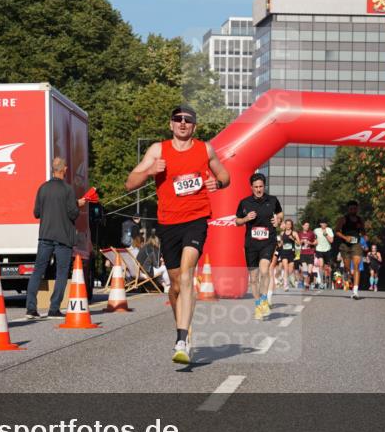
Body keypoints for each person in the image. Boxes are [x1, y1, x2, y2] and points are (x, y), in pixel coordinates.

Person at [124, 104, 230, 364]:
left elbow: (225, 175)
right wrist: (150, 172)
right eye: (178, 119)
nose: (183, 123)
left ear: (194, 126)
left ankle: (181, 340)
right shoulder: (158, 150)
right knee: (175, 285)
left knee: (186, 273)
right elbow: (129, 184)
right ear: (171, 124)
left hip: (196, 219)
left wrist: (218, 182)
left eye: (188, 120)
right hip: (168, 223)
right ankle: (182, 327)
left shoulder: (205, 149)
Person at [25, 157, 88, 320]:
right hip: (63, 237)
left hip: (45, 235)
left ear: (53, 169)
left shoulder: (43, 188)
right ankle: (54, 309)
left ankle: (31, 308)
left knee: (38, 271)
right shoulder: (68, 190)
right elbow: (73, 213)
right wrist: (78, 204)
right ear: (63, 169)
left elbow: (36, 213)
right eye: (66, 167)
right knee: (61, 273)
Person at [234, 173, 282, 320]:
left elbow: (280, 213)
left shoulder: (272, 200)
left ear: (264, 186)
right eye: (256, 187)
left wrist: (278, 220)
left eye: (261, 186)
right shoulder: (244, 202)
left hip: (268, 241)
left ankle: (264, 300)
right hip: (251, 243)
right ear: (251, 187)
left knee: (264, 269)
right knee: (254, 278)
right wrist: (245, 218)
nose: (258, 189)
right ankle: (258, 305)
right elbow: (237, 221)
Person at [335, 200, 365, 300]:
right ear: (348, 209)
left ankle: (355, 291)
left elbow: (363, 231)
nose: (353, 210)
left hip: (356, 244)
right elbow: (337, 231)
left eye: (355, 208)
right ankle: (350, 276)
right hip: (345, 245)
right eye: (351, 209)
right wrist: (345, 237)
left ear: (357, 209)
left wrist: (364, 236)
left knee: (356, 265)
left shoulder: (360, 220)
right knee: (348, 268)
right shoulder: (343, 219)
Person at [276, 219, 299, 291]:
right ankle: (285, 285)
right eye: (287, 224)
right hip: (284, 252)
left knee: (290, 270)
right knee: (285, 268)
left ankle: (283, 279)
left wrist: (293, 239)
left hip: (291, 253)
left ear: (291, 225)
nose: (288, 225)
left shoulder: (294, 233)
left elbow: (299, 243)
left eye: (289, 224)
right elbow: (280, 244)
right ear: (285, 225)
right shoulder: (282, 233)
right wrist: (279, 243)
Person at [314, 219, 334, 289]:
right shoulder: (316, 230)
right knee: (320, 265)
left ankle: (327, 280)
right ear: (320, 224)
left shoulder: (329, 230)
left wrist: (326, 234)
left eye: (325, 223)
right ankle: (321, 282)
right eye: (322, 223)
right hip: (319, 249)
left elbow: (331, 241)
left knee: (326, 267)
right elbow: (314, 239)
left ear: (326, 224)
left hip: (327, 250)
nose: (323, 224)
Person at [298, 221, 316, 290]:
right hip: (303, 254)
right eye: (305, 225)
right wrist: (301, 242)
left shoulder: (311, 233)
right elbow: (297, 243)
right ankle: (306, 283)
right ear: (302, 226)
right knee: (305, 269)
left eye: (308, 225)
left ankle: (308, 283)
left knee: (309, 271)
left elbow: (316, 242)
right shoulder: (299, 234)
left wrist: (310, 243)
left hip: (310, 253)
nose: (307, 227)